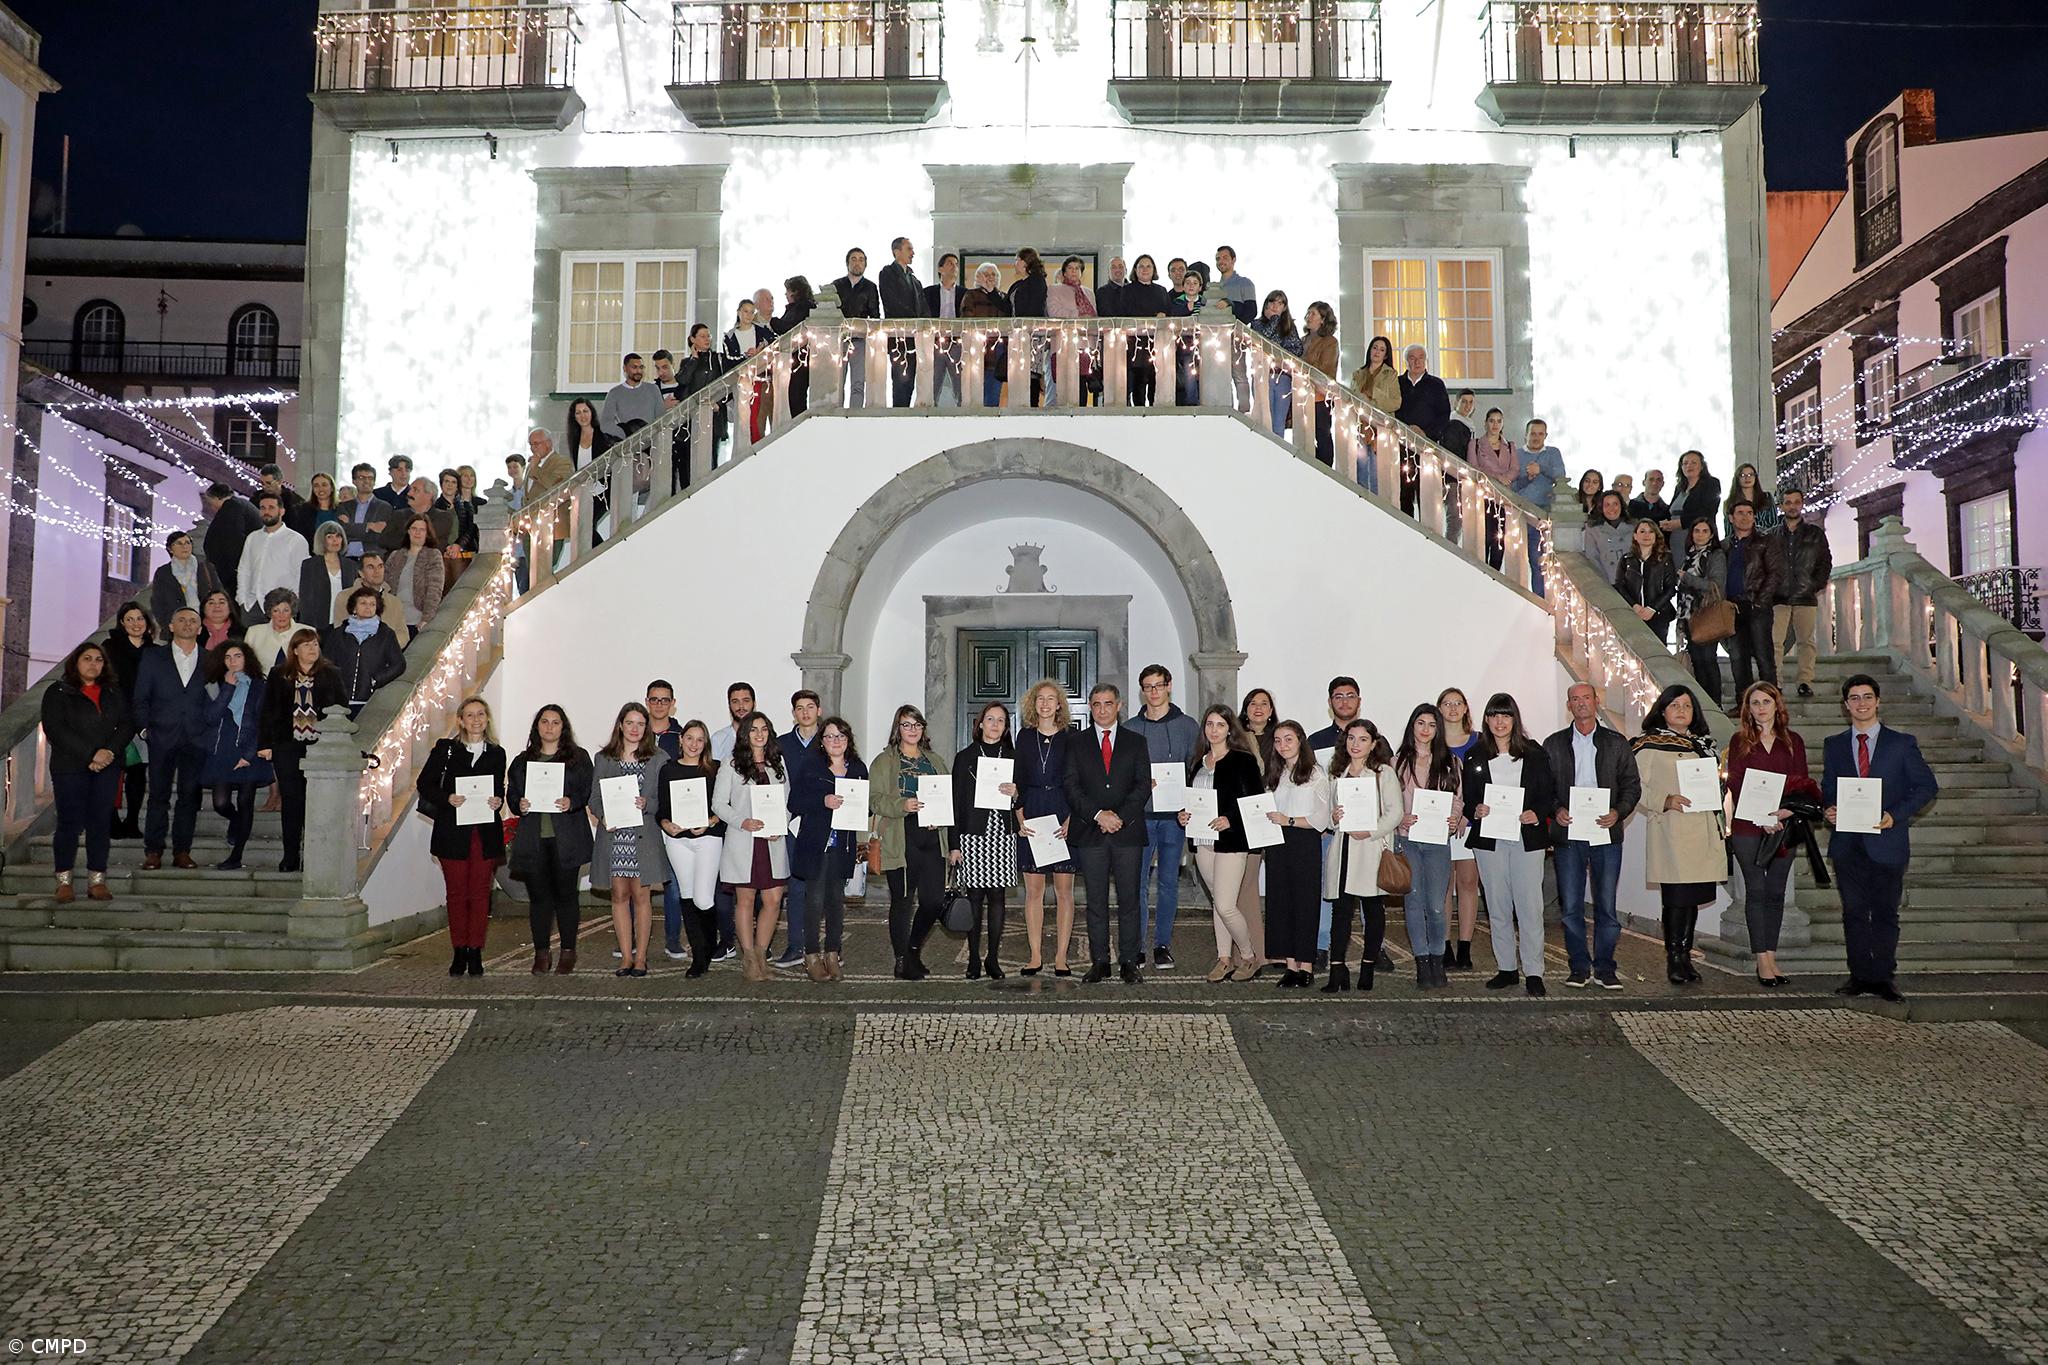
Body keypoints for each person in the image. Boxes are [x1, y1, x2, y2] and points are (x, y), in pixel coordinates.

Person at [1822, 674, 1939, 1002]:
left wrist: (1895, 815)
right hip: (1848, 843)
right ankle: (1859, 975)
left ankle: (1884, 977)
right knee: (1854, 912)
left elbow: (1927, 787)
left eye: (1867, 696)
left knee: (1886, 912)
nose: (1862, 703)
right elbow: (1829, 786)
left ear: (1878, 701)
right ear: (1846, 705)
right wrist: (1827, 808)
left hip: (1887, 843)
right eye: (1854, 698)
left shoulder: (1901, 744)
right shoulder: (1834, 745)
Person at [1542, 682, 1641, 989]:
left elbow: (1632, 786)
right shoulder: (1553, 744)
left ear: (1596, 702)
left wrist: (1618, 812)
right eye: (1575, 699)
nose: (1581, 703)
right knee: (1570, 905)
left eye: (1586, 697)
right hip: (1568, 833)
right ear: (1568, 706)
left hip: (1605, 832)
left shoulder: (1616, 743)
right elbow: (1542, 788)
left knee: (1606, 906)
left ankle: (1606, 967)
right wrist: (1556, 809)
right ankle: (1578, 966)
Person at [1461, 693, 1557, 996]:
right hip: (1489, 840)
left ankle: (1534, 971)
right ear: (1486, 720)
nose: (1499, 722)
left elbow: (1548, 794)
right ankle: (1506, 968)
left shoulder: (1534, 753)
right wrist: (1475, 810)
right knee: (1498, 905)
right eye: (1493, 715)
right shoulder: (1475, 756)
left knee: (1529, 906)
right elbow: (1469, 800)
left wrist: (1536, 813)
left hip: (1526, 838)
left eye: (1506, 715)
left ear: (1515, 719)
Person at [1725, 683, 1820, 988]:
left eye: (1766, 701)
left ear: (1776, 705)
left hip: (1785, 825)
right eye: (1755, 702)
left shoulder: (1793, 741)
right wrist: (1763, 815)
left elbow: (1802, 781)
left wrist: (1785, 812)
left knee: (1776, 892)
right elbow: (1737, 784)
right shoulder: (1739, 741)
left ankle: (1772, 955)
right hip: (1748, 827)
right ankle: (1761, 960)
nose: (1761, 707)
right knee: (1756, 891)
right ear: (1747, 708)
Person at [1633, 684, 1727, 987]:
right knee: (1676, 898)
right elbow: (1636, 787)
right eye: (1675, 705)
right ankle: (1673, 958)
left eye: (1687, 705)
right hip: (1672, 831)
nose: (1682, 711)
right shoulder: (1648, 745)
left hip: (1703, 831)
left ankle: (1686, 957)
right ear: (1662, 710)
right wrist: (1664, 800)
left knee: (1693, 899)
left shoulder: (1705, 745)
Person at [1065, 683, 1151, 985]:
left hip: (1128, 833)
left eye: (1108, 703)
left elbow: (1142, 786)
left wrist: (1121, 817)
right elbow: (1071, 786)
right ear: (1090, 706)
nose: (1102, 709)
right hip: (1091, 832)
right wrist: (1099, 815)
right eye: (1097, 704)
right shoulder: (1075, 743)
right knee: (1096, 901)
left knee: (1129, 900)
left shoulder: (1136, 742)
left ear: (1119, 705)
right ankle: (1100, 961)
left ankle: (1129, 961)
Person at [415, 696, 506, 978]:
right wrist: (447, 798)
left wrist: (497, 801)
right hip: (452, 833)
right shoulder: (446, 750)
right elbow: (424, 784)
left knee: (480, 894)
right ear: (460, 720)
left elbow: (498, 788)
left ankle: (476, 950)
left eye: (481, 714)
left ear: (487, 718)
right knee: (456, 894)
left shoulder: (497, 752)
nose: (476, 720)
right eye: (470, 715)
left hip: (484, 833)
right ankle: (458, 951)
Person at [40, 641, 132, 903]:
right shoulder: (57, 692)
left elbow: (126, 724)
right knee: (69, 823)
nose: (93, 664)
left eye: (98, 659)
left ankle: (97, 880)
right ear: (76, 663)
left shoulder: (113, 691)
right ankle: (64, 881)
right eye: (87, 658)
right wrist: (91, 754)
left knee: (100, 823)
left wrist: (108, 753)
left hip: (107, 766)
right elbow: (55, 729)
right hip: (70, 767)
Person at [1182, 704, 1266, 983]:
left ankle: (1249, 956)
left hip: (1231, 842)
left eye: (1220, 724)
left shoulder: (1243, 760)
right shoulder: (1198, 762)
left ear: (1230, 728)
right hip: (1203, 841)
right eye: (1209, 724)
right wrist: (1183, 815)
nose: (1214, 730)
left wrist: (1231, 819)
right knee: (1218, 903)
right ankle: (1224, 959)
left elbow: (1254, 803)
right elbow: (1193, 800)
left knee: (1227, 905)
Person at [1124, 664, 1200, 970]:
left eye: (1158, 685)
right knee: (1136, 883)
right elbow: (1121, 774)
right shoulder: (1129, 728)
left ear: (1169, 685)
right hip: (1140, 817)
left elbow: (1197, 770)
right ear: (1142, 690)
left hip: (1174, 818)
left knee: (1168, 882)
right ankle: (1137, 945)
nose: (1153, 692)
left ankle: (1162, 945)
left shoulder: (1188, 726)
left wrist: (1191, 803)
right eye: (1147, 687)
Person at [508, 703, 593, 975]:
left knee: (567, 897)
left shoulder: (578, 758)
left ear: (563, 727)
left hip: (565, 839)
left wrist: (573, 801)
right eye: (544, 722)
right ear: (537, 726)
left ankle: (568, 951)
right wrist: (517, 803)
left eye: (555, 722)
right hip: (534, 839)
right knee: (539, 899)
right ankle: (541, 952)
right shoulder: (522, 761)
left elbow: (587, 790)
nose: (549, 727)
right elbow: (512, 794)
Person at [257, 627, 346, 873]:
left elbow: (341, 709)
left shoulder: (331, 674)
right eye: (306, 645)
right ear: (295, 650)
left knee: (317, 802)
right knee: (292, 800)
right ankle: (290, 856)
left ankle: (317, 856)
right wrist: (265, 744)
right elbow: (268, 711)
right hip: (287, 746)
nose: (312, 649)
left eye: (315, 645)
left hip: (321, 748)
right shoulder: (279, 675)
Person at [1323, 717, 1402, 992]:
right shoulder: (1337, 772)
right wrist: (1333, 817)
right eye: (1351, 738)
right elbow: (1331, 815)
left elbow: (1395, 813)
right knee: (1340, 912)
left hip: (1370, 849)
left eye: (1363, 739)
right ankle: (1337, 970)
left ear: (1374, 744)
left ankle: (1368, 967)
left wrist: (1370, 831)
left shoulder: (1383, 773)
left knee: (1372, 909)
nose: (1356, 744)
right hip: (1344, 848)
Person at [872, 704, 949, 980]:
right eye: (906, 725)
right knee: (902, 901)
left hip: (932, 836)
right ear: (897, 728)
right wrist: (902, 803)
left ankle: (914, 948)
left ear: (923, 729)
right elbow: (874, 799)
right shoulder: (885, 761)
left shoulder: (936, 761)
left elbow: (946, 797)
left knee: (934, 901)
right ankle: (902, 959)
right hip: (901, 836)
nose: (912, 730)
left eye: (917, 725)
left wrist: (940, 816)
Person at [133, 607, 212, 871]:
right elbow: (140, 697)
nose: (188, 624)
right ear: (170, 625)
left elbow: (216, 698)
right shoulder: (153, 656)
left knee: (189, 796)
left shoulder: (212, 659)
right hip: (161, 736)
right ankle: (153, 851)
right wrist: (145, 730)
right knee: (158, 796)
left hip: (196, 738)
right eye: (182, 620)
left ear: (201, 629)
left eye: (193, 621)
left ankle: (182, 851)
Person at [715, 713, 790, 983]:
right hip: (744, 840)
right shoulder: (731, 765)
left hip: (772, 843)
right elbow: (719, 804)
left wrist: (780, 825)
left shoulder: (777, 764)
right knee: (745, 900)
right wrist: (742, 821)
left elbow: (786, 804)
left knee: (772, 900)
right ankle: (748, 957)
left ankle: (761, 953)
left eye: (764, 729)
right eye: (754, 729)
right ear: (745, 734)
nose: (759, 734)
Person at [593, 702, 666, 979]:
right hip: (614, 837)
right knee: (619, 896)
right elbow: (594, 797)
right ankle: (625, 956)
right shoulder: (604, 759)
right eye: (630, 723)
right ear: (621, 725)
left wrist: (648, 803)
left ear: (646, 728)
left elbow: (663, 801)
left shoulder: (658, 758)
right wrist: (603, 816)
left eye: (641, 724)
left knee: (641, 896)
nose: (635, 729)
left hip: (643, 838)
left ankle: (642, 958)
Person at [788, 716, 863, 982]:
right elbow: (794, 801)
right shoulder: (811, 766)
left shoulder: (858, 768)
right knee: (814, 900)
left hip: (842, 844)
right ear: (822, 740)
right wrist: (823, 800)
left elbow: (864, 805)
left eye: (840, 736)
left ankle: (832, 953)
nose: (835, 741)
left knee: (835, 901)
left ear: (848, 740)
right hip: (815, 843)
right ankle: (811, 955)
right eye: (830, 736)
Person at [1394, 703, 1462, 989]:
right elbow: (1388, 801)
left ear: (1438, 729)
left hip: (1437, 842)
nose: (1425, 730)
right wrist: (1400, 819)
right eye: (1420, 723)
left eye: (1431, 725)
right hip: (1408, 841)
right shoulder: (1397, 762)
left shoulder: (1451, 762)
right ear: (1412, 726)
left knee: (1435, 906)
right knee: (1413, 902)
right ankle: (1422, 961)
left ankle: (1437, 957)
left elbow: (1459, 798)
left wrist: (1454, 817)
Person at [1015, 678, 1079, 976]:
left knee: (1064, 891)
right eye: (1040, 698)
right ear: (1033, 703)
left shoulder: (1071, 737)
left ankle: (1062, 957)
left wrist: (1071, 818)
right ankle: (1035, 955)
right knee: (1034, 890)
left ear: (1059, 705)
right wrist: (1020, 818)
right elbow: (1017, 780)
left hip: (1063, 811)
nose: (1045, 703)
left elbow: (1078, 781)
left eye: (1051, 698)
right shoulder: (1024, 737)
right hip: (1033, 811)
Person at [951, 701, 1019, 980]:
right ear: (980, 724)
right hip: (973, 835)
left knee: (998, 897)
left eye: (1000, 720)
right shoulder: (965, 757)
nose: (994, 724)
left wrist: (1016, 793)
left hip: (1002, 834)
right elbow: (954, 804)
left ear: (1005, 727)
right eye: (989, 719)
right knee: (974, 898)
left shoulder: (1013, 756)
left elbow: (1024, 798)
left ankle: (992, 958)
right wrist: (954, 844)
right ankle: (974, 959)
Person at [1262, 720, 1331, 988]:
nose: (1283, 746)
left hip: (1304, 842)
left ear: (1301, 740)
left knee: (1305, 903)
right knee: (1281, 903)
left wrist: (1287, 819)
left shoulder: (1315, 775)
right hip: (1277, 844)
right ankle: (1290, 965)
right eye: (1278, 741)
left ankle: (1307, 966)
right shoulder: (1274, 774)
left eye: (1288, 739)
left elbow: (1320, 819)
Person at [657, 717, 725, 977]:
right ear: (680, 740)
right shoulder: (668, 769)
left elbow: (723, 805)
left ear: (705, 743)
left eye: (700, 739)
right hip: (678, 840)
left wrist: (711, 821)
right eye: (689, 738)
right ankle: (699, 957)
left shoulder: (715, 769)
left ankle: (709, 946)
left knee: (704, 898)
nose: (694, 744)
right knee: (686, 896)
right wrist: (665, 824)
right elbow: (662, 809)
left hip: (708, 838)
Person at [1761, 487, 1833, 698]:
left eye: (1796, 502)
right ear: (1781, 506)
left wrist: (1814, 584)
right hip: (1778, 597)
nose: (1792, 506)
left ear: (1802, 504)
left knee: (1806, 641)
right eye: (1788, 502)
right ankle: (1777, 682)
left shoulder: (1815, 533)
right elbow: (1765, 564)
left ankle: (1805, 681)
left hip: (1806, 595)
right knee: (1775, 642)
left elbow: (1825, 562)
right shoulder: (1771, 535)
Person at [771, 689, 825, 970]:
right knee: (795, 884)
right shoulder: (781, 745)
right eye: (799, 708)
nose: (805, 712)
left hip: (823, 823)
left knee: (822, 886)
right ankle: (795, 945)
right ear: (793, 713)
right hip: (790, 823)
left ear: (819, 710)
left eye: (810, 707)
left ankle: (822, 947)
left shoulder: (831, 740)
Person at [1436, 686, 1482, 973]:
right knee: (1443, 886)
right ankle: (1444, 946)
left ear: (1466, 708)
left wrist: (1467, 815)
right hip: (1438, 826)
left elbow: (1484, 785)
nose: (1452, 708)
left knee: (1468, 884)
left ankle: (1465, 946)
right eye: (1446, 703)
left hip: (1469, 825)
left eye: (1458, 703)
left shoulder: (1480, 743)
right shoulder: (1432, 741)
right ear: (1438, 709)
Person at [103, 604, 155, 838]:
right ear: (122, 623)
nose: (136, 623)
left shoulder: (155, 652)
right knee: (113, 770)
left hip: (144, 719)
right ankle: (111, 820)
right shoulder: (109, 648)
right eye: (130, 619)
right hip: (115, 718)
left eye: (140, 618)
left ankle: (132, 821)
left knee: (137, 770)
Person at [325, 585, 405, 715]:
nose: (368, 607)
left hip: (371, 702)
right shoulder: (338, 634)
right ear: (354, 608)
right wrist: (335, 683)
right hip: (339, 701)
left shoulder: (386, 634)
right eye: (363, 603)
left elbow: (399, 664)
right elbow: (326, 662)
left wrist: (376, 680)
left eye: (372, 604)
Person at [1722, 501, 1775, 696]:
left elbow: (1775, 574)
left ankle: (1771, 700)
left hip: (1757, 605)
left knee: (1763, 655)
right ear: (1731, 518)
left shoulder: (1765, 541)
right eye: (1740, 512)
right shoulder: (1724, 545)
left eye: (1749, 513)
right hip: (1733, 607)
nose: (1745, 517)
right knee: (1737, 657)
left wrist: (1760, 601)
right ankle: (1742, 702)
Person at [1676, 517, 1728, 705]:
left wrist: (1687, 578)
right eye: (1696, 531)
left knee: (1707, 659)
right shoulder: (1689, 554)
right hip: (1689, 615)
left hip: (1706, 613)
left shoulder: (1716, 555)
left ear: (1711, 534)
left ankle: (1715, 703)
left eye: (1704, 531)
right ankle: (1703, 702)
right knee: (1697, 660)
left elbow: (1715, 585)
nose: (1700, 535)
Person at [235, 491, 309, 618]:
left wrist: (291, 606)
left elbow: (301, 576)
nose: (266, 511)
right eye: (262, 508)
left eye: (271, 507)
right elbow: (244, 570)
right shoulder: (252, 538)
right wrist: (242, 599)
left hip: (281, 608)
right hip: (252, 605)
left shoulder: (295, 539)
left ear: (282, 511)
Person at [877, 236, 928, 408]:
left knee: (912, 379)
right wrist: (914, 319)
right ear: (896, 251)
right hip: (899, 336)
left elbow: (924, 307)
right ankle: (899, 413)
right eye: (909, 249)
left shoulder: (915, 280)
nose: (913, 253)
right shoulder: (887, 273)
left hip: (915, 338)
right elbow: (891, 302)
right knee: (900, 378)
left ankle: (905, 411)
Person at [148, 530, 224, 643]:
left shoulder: (206, 568)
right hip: (177, 627)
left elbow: (218, 593)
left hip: (205, 625)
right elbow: (157, 603)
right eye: (179, 543)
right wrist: (168, 624)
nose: (185, 546)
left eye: (188, 543)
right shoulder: (163, 572)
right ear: (170, 549)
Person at [1045, 256, 1099, 406]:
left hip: (1085, 346)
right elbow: (1054, 312)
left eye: (1077, 268)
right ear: (1064, 272)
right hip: (1063, 345)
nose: (1074, 271)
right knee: (1064, 386)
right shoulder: (1054, 289)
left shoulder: (1089, 293)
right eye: (1070, 268)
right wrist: (1079, 315)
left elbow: (1094, 318)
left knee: (1082, 386)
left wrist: (1094, 346)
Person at [1469, 407, 1517, 570]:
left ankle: (1494, 573)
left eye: (1499, 421)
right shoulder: (1475, 444)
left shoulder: (1509, 446)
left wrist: (1506, 479)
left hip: (1504, 498)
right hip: (1484, 496)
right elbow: (1474, 468)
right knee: (1484, 536)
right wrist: (1498, 477)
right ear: (1485, 423)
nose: (1495, 425)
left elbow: (1515, 468)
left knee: (1500, 539)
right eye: (1492, 420)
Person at [1250, 290, 1304, 437]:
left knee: (1279, 423)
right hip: (1262, 375)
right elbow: (1262, 340)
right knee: (1264, 420)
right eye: (1272, 301)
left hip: (1283, 377)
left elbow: (1297, 349)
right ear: (1266, 304)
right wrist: (1274, 320)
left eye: (1280, 303)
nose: (1275, 305)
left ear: (1284, 307)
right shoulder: (1256, 324)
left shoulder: (1289, 327)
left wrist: (1279, 350)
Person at [832, 247, 881, 407]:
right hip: (839, 340)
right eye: (854, 259)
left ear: (865, 264)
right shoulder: (836, 285)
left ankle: (854, 414)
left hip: (860, 340)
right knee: (837, 382)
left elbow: (875, 315)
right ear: (847, 263)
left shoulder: (870, 287)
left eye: (861, 259)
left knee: (858, 382)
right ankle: (837, 413)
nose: (857, 263)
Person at [386, 513, 447, 642]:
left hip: (417, 621)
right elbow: (385, 587)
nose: (417, 533)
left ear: (427, 533)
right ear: (408, 531)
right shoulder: (395, 556)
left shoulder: (433, 555)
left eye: (422, 530)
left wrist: (426, 619)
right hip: (393, 620)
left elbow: (435, 590)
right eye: (414, 529)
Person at [1616, 518, 1677, 645]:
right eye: (1642, 531)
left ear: (1656, 536)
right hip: (1633, 614)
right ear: (1635, 536)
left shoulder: (1665, 559)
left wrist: (1652, 608)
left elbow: (1670, 588)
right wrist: (1635, 606)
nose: (1646, 535)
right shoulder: (1627, 559)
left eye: (1650, 532)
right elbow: (1620, 586)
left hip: (1658, 614)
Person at [721, 299, 775, 440]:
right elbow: (728, 360)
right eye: (745, 311)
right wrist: (746, 357)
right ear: (739, 312)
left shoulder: (761, 331)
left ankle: (757, 444)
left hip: (762, 380)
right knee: (745, 419)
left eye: (752, 312)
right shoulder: (730, 336)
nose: (749, 315)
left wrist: (760, 349)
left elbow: (775, 341)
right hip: (742, 382)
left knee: (758, 417)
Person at [1122, 255, 1172, 407]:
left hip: (1158, 341)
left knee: (1156, 377)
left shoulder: (1162, 291)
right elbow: (1126, 312)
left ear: (1154, 270)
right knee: (1138, 378)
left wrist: (1163, 314)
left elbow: (1169, 312)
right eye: (1141, 266)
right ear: (1135, 270)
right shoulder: (1127, 290)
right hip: (1136, 342)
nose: (1145, 269)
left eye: (1148, 266)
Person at [961, 263, 1013, 408]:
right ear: (979, 277)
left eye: (994, 275)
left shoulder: (1002, 297)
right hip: (977, 349)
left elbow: (1008, 318)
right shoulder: (971, 295)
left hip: (998, 350)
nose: (991, 278)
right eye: (987, 274)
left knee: (993, 391)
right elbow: (967, 320)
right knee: (974, 389)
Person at [199, 481, 261, 601]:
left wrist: (235, 569)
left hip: (238, 572)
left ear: (217, 498)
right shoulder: (240, 505)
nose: (211, 507)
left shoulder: (232, 507)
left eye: (210, 502)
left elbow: (234, 539)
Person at [295, 523, 359, 632]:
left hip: (345, 625)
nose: (335, 540)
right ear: (322, 540)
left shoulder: (351, 565)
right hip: (318, 625)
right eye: (330, 537)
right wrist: (309, 629)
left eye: (338, 536)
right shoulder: (310, 565)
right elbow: (306, 601)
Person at [1008, 248, 1051, 408]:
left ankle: (1032, 406)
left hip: (1032, 336)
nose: (1015, 264)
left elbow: (1034, 308)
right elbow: (1007, 308)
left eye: (1017, 260)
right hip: (1017, 336)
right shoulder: (1018, 284)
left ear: (1025, 262)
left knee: (1031, 373)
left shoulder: (1037, 281)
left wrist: (1023, 328)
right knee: (1018, 374)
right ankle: (1018, 405)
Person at [924, 253, 965, 407]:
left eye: (956, 263)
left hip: (957, 344)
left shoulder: (964, 293)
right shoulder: (928, 293)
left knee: (961, 387)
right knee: (931, 387)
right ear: (940, 269)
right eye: (950, 263)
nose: (954, 266)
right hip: (934, 344)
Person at [335, 551, 409, 636]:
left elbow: (403, 634)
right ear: (361, 573)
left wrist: (388, 646)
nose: (377, 571)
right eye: (371, 567)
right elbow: (340, 632)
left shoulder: (395, 602)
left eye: (380, 566)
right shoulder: (344, 597)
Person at [1302, 302, 1339, 465]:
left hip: (1320, 396)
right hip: (1302, 395)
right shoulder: (1302, 340)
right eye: (1308, 313)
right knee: (1304, 435)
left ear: (1323, 319)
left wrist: (1302, 365)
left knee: (1322, 434)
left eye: (1313, 314)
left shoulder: (1330, 342)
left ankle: (1326, 470)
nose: (1309, 317)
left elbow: (1326, 369)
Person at [1167, 261, 1208, 407]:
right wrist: (1186, 308)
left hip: (1204, 344)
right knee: (1189, 372)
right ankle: (1191, 402)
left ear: (1200, 287)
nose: (1191, 286)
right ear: (1183, 286)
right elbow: (1174, 317)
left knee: (1203, 374)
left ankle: (1203, 400)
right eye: (1188, 283)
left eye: (1195, 283)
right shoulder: (1177, 302)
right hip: (1185, 345)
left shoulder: (1205, 303)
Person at [774, 276, 817, 416]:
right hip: (797, 360)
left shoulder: (804, 307)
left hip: (800, 360)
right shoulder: (800, 307)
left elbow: (791, 329)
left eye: (787, 290)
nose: (785, 294)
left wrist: (772, 321)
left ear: (795, 291)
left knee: (796, 397)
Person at [1397, 342, 1452, 448]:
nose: (1417, 362)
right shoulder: (1397, 383)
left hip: (1428, 443)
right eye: (1412, 358)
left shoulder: (1436, 384)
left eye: (1421, 358)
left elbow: (1444, 415)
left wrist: (1425, 433)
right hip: (1400, 440)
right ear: (1406, 362)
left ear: (1426, 361)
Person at [1660, 450, 1722, 540]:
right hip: (1676, 537)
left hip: (1699, 537)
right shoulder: (1679, 487)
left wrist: (1681, 523)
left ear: (1702, 466)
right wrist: (1665, 522)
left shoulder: (1711, 483)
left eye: (1694, 463)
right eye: (1685, 463)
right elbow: (1671, 510)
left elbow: (1707, 512)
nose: (1689, 465)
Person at [338, 463, 393, 560]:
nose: (366, 481)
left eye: (370, 478)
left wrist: (351, 526)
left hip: (373, 559)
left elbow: (378, 538)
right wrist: (369, 526)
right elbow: (342, 532)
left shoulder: (384, 507)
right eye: (361, 477)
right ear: (354, 481)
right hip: (346, 559)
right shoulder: (344, 507)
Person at [600, 352, 662, 438]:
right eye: (634, 367)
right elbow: (605, 424)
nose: (638, 371)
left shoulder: (653, 389)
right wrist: (625, 435)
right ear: (625, 368)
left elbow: (661, 418)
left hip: (652, 442)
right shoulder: (614, 393)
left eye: (641, 367)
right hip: (627, 445)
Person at [241, 589, 301, 672]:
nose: (281, 615)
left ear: (292, 612)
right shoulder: (254, 633)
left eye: (286, 610)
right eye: (276, 611)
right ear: (270, 612)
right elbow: (245, 664)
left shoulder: (307, 631)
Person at [1584, 489, 1633, 588]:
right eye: (1607, 505)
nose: (1612, 508)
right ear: (1601, 508)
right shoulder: (1592, 529)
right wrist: (1603, 583)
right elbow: (1592, 557)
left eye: (1615, 504)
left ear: (1621, 506)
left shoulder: (1634, 527)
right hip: (1607, 581)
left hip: (1631, 582)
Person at [1723, 462, 1778, 539]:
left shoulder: (1766, 497)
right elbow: (1729, 531)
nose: (1747, 478)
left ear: (1755, 477)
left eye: (1750, 475)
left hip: (1765, 541)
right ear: (1737, 479)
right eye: (1743, 475)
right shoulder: (1730, 502)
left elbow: (1774, 523)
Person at [1350, 334, 1402, 416]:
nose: (1377, 352)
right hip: (1359, 419)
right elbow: (1351, 398)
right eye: (1375, 348)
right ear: (1370, 350)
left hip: (1381, 422)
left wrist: (1374, 394)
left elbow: (1396, 403)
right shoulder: (1358, 374)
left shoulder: (1391, 375)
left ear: (1385, 355)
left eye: (1382, 350)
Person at [286, 472, 341, 544]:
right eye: (316, 486)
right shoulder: (303, 510)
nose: (320, 489)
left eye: (324, 485)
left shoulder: (342, 508)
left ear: (332, 488)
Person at [710, 680, 755, 762]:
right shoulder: (718, 739)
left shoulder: (762, 737)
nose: (741, 706)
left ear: (754, 704)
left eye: (746, 701)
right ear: (729, 705)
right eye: (735, 701)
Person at [1444, 390, 1478, 460]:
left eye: (1471, 402)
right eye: (1464, 402)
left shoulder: (1469, 424)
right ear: (1456, 403)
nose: (1468, 406)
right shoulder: (1453, 425)